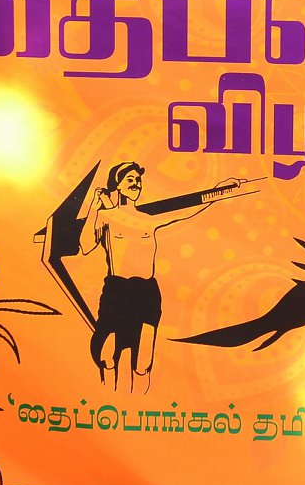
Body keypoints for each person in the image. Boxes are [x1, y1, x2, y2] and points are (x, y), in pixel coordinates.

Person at [79, 161, 237, 388]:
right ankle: (108, 392)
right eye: (130, 179)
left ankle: (140, 395)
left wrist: (218, 191)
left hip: (146, 292)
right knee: (106, 356)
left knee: (142, 363)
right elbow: (85, 246)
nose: (136, 183)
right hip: (118, 291)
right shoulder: (106, 216)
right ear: (117, 185)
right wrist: (94, 208)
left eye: (138, 180)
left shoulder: (148, 218)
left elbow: (186, 210)